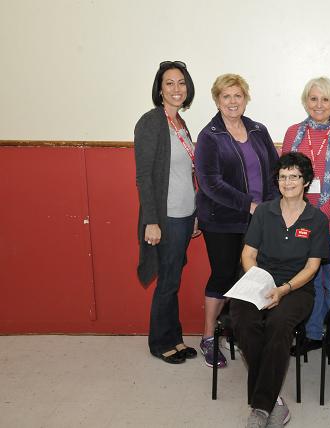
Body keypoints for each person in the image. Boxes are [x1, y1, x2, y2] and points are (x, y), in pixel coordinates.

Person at [231, 152, 330, 428]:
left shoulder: (316, 219)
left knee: (278, 324)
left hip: (296, 288)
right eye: (283, 176)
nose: (288, 182)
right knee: (242, 319)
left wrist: (283, 290)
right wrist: (260, 283)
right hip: (259, 281)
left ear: (306, 181)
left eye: (294, 176)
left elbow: (312, 269)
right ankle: (275, 401)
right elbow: (248, 254)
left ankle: (261, 408)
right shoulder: (264, 211)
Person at [195, 74, 279, 368]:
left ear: (246, 98)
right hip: (222, 220)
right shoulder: (209, 136)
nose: (232, 102)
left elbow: (274, 171)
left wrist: (268, 207)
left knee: (249, 277)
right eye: (226, 97)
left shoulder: (258, 130)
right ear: (217, 100)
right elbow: (210, 183)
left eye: (237, 96)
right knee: (223, 275)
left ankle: (234, 330)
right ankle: (208, 337)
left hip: (258, 217)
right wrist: (249, 205)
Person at [281, 76, 330, 355]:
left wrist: (323, 214)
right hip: (300, 221)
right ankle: (312, 333)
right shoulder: (293, 133)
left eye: (325, 99)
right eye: (313, 98)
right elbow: (287, 179)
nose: (319, 104)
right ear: (305, 101)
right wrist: (307, 218)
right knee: (309, 280)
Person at [134, 60, 201, 364]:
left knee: (173, 278)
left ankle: (173, 338)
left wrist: (196, 212)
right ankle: (161, 343)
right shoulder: (151, 122)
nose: (176, 89)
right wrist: (151, 221)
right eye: (170, 83)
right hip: (166, 217)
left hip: (186, 215)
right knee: (168, 281)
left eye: (181, 83)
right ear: (159, 89)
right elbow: (144, 177)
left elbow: (188, 173)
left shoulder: (181, 124)